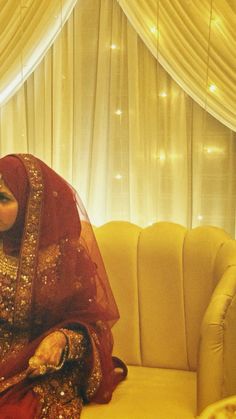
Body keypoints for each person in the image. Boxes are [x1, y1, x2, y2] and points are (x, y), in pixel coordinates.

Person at [0, 153, 127, 418]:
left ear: (31, 203)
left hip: (39, 369)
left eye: (3, 199)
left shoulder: (65, 256)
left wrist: (61, 340)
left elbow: (92, 325)